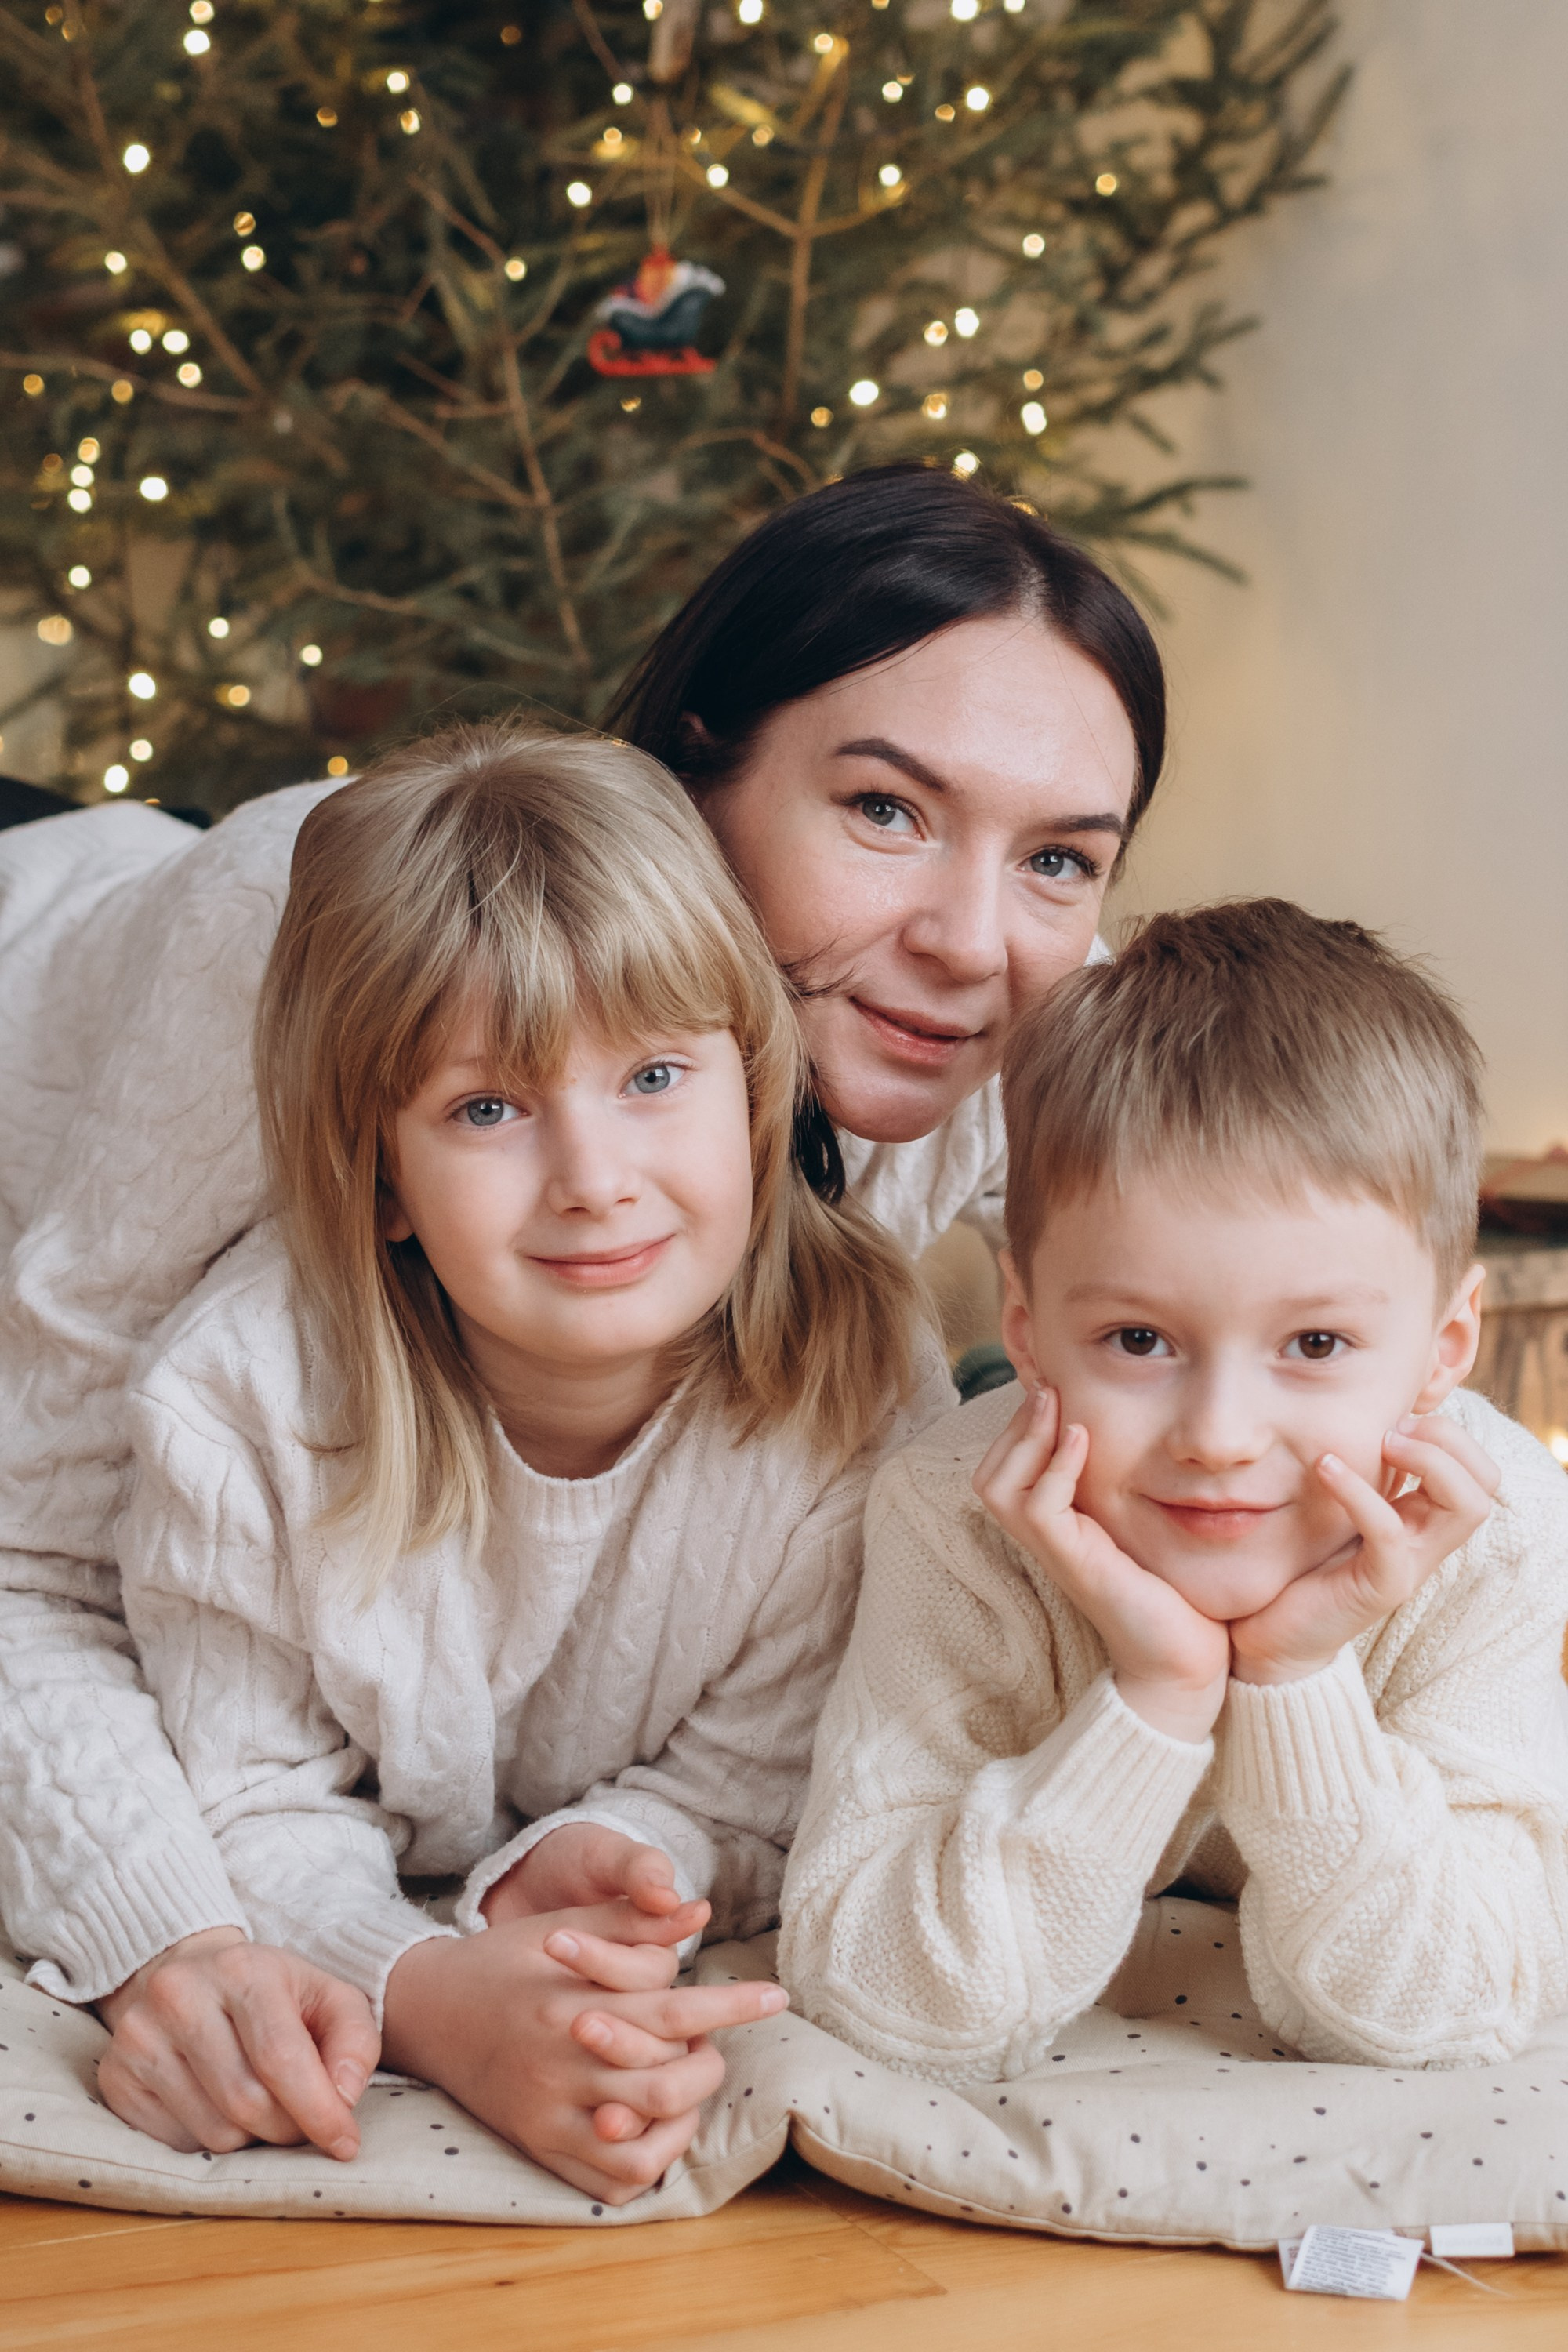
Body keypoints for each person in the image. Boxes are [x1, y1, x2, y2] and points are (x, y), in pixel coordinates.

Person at [0, 463, 1160, 2148]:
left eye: (1058, 856)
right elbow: (25, 1556)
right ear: (696, 772)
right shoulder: (306, 940)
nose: (974, 944)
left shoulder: (1031, 1005)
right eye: (885, 811)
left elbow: (1265, 1279)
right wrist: (177, 1940)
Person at [108, 724, 949, 2198]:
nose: (594, 1180)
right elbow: (247, 1798)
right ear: (380, 1172)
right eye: (488, 1109)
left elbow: (767, 1769)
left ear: (755, 1087)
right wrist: (429, 1994)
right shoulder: (236, 1398)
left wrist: (618, 1850)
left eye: (654, 1075)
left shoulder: (859, 1382)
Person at [779, 900, 1568, 2078]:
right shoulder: (950, 1515)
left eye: (1314, 1345)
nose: (1219, 1439)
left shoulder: (1497, 1528)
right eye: (1140, 1339)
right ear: (1030, 1326)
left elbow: (1450, 2013)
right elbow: (883, 1997)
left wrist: (1294, 1675)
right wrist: (1156, 1693)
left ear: (1445, 1349)